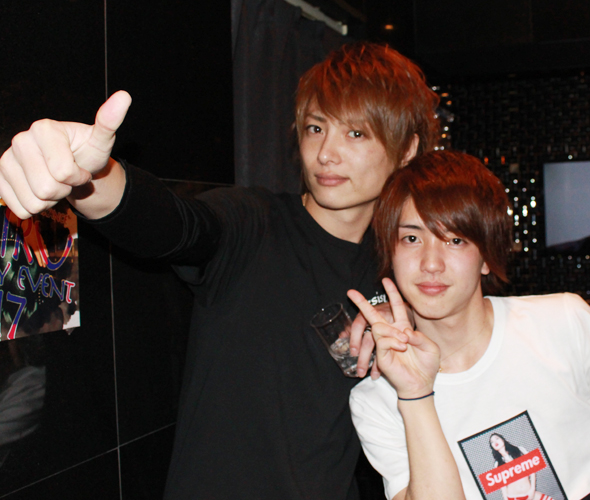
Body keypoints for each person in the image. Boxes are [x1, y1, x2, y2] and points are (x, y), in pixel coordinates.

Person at [0, 42, 439, 499]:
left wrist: (407, 325)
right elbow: (175, 225)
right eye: (315, 128)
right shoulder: (254, 223)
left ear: (407, 149)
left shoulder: (398, 268)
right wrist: (89, 177)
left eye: (356, 134)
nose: (326, 153)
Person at [347, 150, 590, 500]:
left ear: (486, 256)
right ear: (391, 253)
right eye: (411, 238)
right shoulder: (377, 400)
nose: (431, 263)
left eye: (455, 240)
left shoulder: (563, 322)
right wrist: (415, 394)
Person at [488, 434, 552, 500]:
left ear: (502, 439)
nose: (495, 442)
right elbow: (503, 487)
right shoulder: (498, 463)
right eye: (492, 442)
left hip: (530, 493)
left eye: (497, 438)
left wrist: (532, 490)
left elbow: (533, 470)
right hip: (513, 497)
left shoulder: (519, 450)